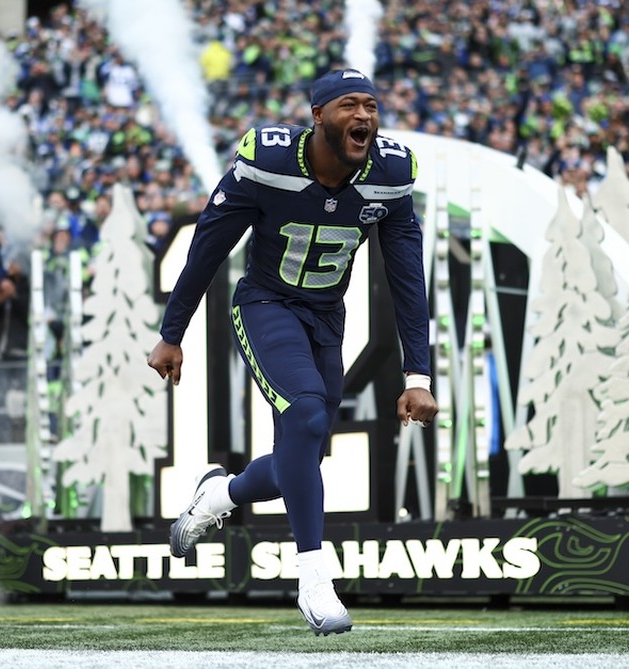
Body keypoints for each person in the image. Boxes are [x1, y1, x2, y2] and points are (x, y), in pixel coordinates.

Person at [146, 69, 438, 636]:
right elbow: (209, 244)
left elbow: (408, 278)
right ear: (318, 115)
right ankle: (313, 577)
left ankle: (219, 495)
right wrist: (172, 332)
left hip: (327, 318)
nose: (364, 117)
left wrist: (417, 373)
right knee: (305, 415)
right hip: (265, 303)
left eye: (372, 106)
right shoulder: (268, 162)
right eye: (349, 105)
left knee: (300, 460)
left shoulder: (391, 174)